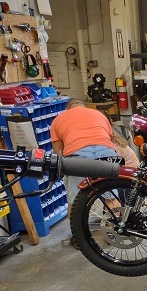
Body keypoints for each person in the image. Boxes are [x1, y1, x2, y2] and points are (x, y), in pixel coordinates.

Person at [51, 98, 117, 249]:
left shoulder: (58, 120)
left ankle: (79, 238)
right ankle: (113, 231)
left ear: (68, 109)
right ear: (84, 106)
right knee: (110, 196)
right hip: (106, 152)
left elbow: (58, 153)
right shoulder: (98, 114)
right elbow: (110, 139)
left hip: (77, 156)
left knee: (75, 201)